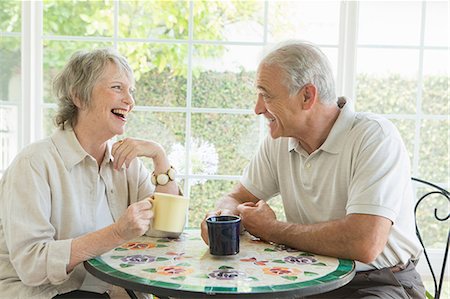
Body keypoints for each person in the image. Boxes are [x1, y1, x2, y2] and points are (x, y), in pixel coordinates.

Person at [200, 40, 425, 298]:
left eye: (267, 95)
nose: (257, 108)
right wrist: (222, 216)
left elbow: (364, 243)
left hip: (379, 282)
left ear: (307, 96)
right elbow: (237, 197)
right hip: (306, 279)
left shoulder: (375, 137)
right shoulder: (280, 140)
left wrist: (272, 229)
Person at [0, 48, 180, 298]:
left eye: (131, 91)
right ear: (79, 97)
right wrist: (117, 233)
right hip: (48, 292)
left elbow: (168, 231)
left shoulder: (125, 162)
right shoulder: (33, 164)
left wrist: (160, 157)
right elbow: (33, 265)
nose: (130, 100)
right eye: (117, 87)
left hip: (114, 291)